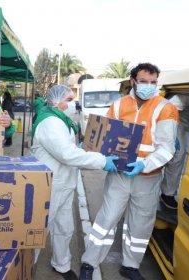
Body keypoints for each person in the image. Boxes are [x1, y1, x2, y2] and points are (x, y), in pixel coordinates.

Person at [79, 63, 179, 280]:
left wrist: (145, 164)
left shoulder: (165, 108)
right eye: (144, 81)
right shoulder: (118, 106)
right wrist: (101, 154)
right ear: (133, 81)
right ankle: (89, 262)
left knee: (140, 224)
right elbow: (106, 136)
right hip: (119, 174)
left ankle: (130, 265)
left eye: (153, 82)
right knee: (107, 217)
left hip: (148, 177)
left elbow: (167, 148)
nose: (149, 86)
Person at [31, 84, 119, 280]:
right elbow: (66, 154)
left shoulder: (62, 120)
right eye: (69, 101)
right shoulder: (50, 122)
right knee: (38, 230)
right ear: (55, 101)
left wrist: (81, 146)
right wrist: (102, 161)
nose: (73, 105)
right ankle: (24, 267)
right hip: (50, 185)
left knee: (64, 227)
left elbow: (67, 147)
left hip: (63, 183)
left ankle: (61, 264)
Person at [160, 95, 189, 209]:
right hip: (178, 123)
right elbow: (168, 109)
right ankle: (167, 194)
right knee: (178, 155)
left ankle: (188, 193)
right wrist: (169, 132)